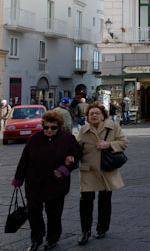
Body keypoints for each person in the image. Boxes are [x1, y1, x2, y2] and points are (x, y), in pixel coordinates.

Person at [12, 110, 82, 251]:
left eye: (53, 128)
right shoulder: (34, 139)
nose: (49, 130)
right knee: (34, 213)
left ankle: (52, 238)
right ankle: (36, 239)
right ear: (42, 126)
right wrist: (18, 179)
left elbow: (77, 156)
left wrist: (65, 169)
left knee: (54, 214)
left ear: (59, 127)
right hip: (34, 182)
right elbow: (23, 160)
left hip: (56, 184)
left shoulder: (68, 139)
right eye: (46, 127)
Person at [76, 103, 128, 246]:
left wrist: (109, 145)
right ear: (87, 116)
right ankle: (85, 231)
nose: (94, 116)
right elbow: (76, 147)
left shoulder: (113, 127)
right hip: (88, 170)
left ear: (103, 115)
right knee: (86, 200)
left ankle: (102, 228)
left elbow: (124, 143)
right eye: (91, 113)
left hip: (107, 169)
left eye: (96, 113)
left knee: (105, 200)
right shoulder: (83, 130)